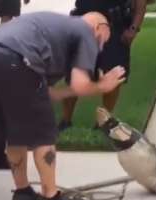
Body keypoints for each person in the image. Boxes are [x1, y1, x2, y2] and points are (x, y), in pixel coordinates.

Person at [0, 11, 125, 200]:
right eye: (106, 37)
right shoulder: (85, 31)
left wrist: (72, 89)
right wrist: (103, 86)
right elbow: (80, 85)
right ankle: (50, 197)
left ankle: (23, 194)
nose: (101, 46)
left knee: (14, 131)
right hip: (17, 60)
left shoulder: (56, 31)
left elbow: (48, 92)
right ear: (99, 27)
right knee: (44, 132)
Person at [58, 0, 147, 131]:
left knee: (113, 72)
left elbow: (141, 4)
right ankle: (65, 122)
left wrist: (134, 28)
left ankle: (104, 123)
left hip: (115, 26)